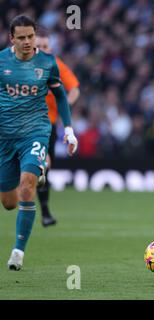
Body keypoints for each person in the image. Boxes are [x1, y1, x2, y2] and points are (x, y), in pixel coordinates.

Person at [0, 15, 78, 270]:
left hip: (35, 131)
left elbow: (61, 95)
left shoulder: (48, 63)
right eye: (21, 37)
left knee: (26, 187)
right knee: (9, 202)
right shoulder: (1, 62)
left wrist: (68, 129)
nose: (27, 42)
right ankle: (39, 169)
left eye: (30, 37)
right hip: (5, 137)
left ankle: (18, 252)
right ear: (12, 38)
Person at [35, 31, 80, 227]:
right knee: (40, 165)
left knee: (44, 168)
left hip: (47, 123)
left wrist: (64, 109)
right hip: (22, 123)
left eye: (46, 46)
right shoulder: (17, 64)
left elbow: (74, 89)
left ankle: (44, 211)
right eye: (40, 46)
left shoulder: (55, 64)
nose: (43, 50)